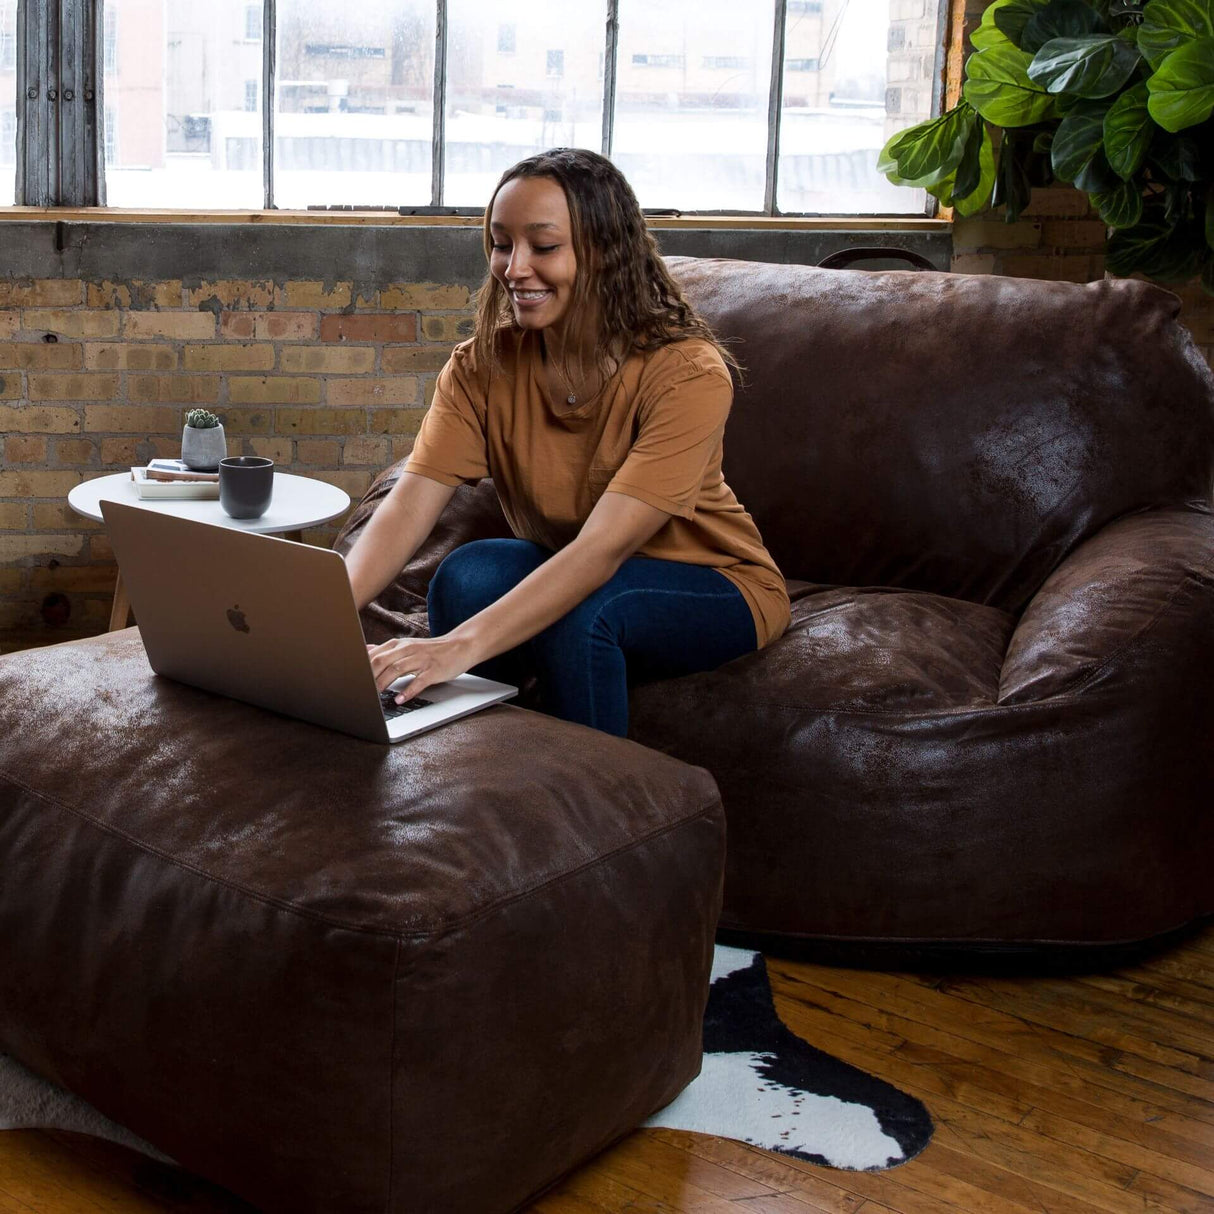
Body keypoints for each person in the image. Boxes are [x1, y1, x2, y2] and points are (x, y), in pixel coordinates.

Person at [344, 148, 790, 738]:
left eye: (544, 246)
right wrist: (319, 617)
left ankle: (594, 812)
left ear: (604, 251)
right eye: (502, 243)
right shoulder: (483, 365)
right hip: (581, 566)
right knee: (465, 575)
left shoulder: (689, 373)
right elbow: (409, 505)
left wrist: (454, 648)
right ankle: (488, 760)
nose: (513, 267)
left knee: (589, 611)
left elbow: (600, 554)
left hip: (715, 582)